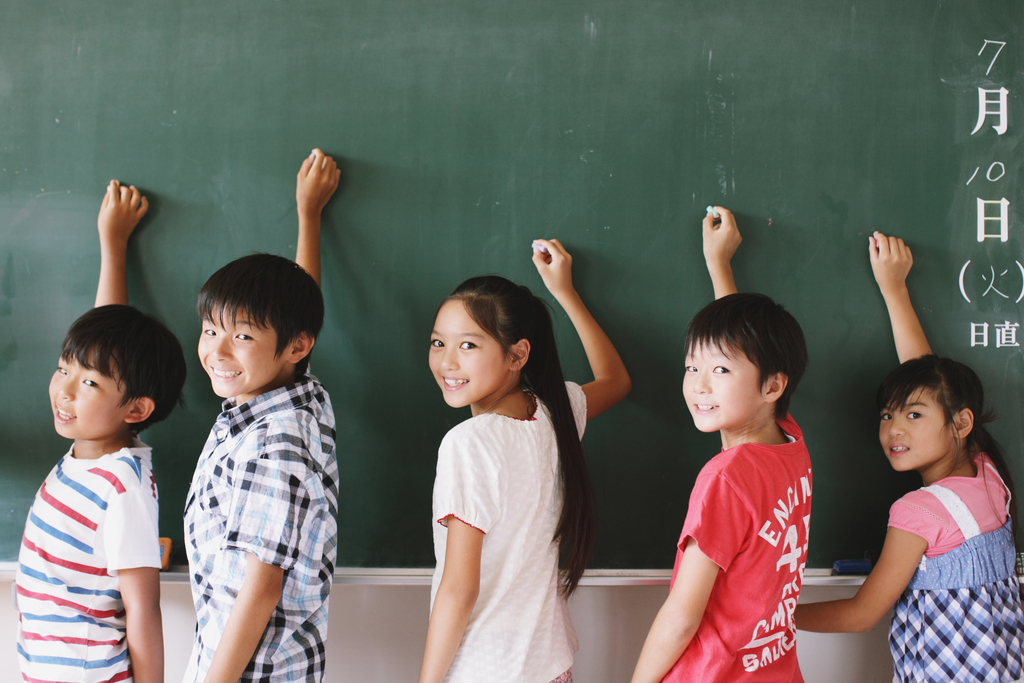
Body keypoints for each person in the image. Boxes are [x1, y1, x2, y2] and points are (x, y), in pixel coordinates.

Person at [794, 232, 1024, 683]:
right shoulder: (987, 475)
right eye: (886, 415)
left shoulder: (918, 511)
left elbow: (862, 614)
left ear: (961, 423)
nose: (894, 429)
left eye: (912, 415)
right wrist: (895, 289)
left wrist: (770, 618)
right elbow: (933, 386)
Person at [417, 238, 631, 683]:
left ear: (518, 354)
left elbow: (459, 591)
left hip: (486, 669)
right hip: (549, 667)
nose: (447, 362)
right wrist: (565, 292)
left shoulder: (469, 443)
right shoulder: (555, 411)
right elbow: (616, 379)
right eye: (438, 343)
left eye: (469, 346)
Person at [16, 180, 187, 683]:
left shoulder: (121, 489)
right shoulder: (88, 452)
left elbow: (143, 609)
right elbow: (102, 354)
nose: (65, 389)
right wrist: (112, 245)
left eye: (86, 383)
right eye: (61, 368)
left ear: (135, 409)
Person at [631, 207, 811, 682]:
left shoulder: (726, 479)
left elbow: (681, 616)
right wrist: (719, 268)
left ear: (773, 386)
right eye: (691, 367)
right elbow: (746, 368)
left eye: (719, 372)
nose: (699, 386)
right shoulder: (791, 444)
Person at [182, 149, 341, 683]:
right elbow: (294, 319)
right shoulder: (294, 393)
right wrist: (309, 217)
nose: (218, 352)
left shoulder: (274, 442)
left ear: (295, 345)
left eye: (242, 336)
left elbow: (261, 588)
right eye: (210, 331)